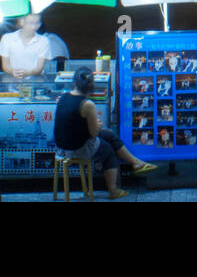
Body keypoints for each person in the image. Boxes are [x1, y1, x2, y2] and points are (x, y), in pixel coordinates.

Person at [54, 67, 156, 199]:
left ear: (74, 82)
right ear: (91, 86)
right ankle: (113, 190)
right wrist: (98, 125)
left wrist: (96, 126)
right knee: (108, 150)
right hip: (75, 149)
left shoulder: (63, 97)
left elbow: (73, 123)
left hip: (61, 147)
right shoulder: (87, 104)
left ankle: (135, 162)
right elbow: (94, 133)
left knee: (109, 135)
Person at [0, 13, 51, 79]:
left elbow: (39, 68)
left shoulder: (44, 41)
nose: (34, 27)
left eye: (37, 23)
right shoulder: (7, 38)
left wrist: (29, 73)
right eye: (30, 23)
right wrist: (12, 71)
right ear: (21, 22)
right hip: (12, 81)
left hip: (36, 82)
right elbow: (5, 65)